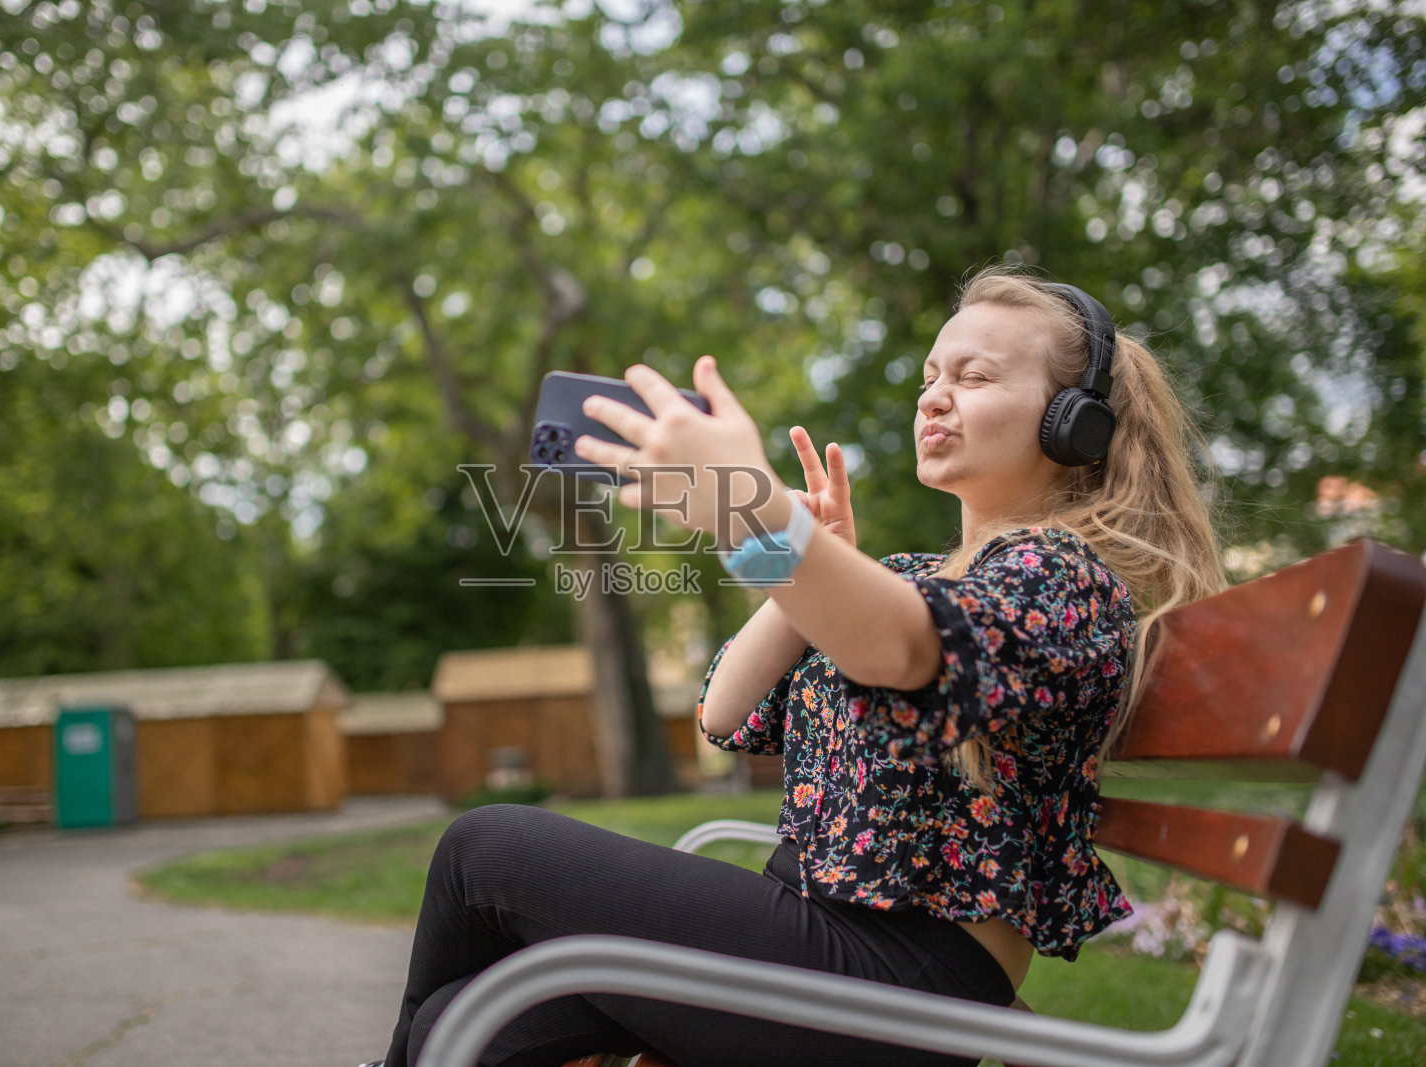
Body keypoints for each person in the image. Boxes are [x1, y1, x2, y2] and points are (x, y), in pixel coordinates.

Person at [365, 265, 1225, 1067]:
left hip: (897, 985)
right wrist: (808, 574)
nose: (934, 397)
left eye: (974, 376)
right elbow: (724, 713)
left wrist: (760, 517)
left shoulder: (1061, 578)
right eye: (930, 375)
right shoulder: (913, 578)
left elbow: (908, 651)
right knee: (461, 1024)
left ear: (1069, 421)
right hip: (808, 938)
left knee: (486, 849)